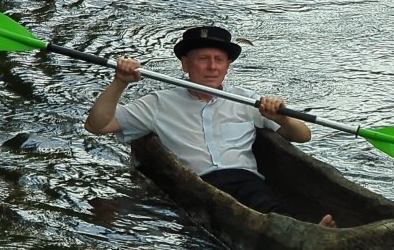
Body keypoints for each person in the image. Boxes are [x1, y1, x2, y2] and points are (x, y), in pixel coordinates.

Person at [85, 25, 336, 227]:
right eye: (203, 59)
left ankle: (306, 232)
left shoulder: (247, 100)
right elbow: (97, 125)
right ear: (185, 64)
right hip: (198, 185)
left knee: (268, 208)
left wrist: (281, 117)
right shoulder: (159, 103)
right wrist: (120, 82)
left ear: (227, 65)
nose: (212, 67)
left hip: (245, 180)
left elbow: (303, 135)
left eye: (219, 60)